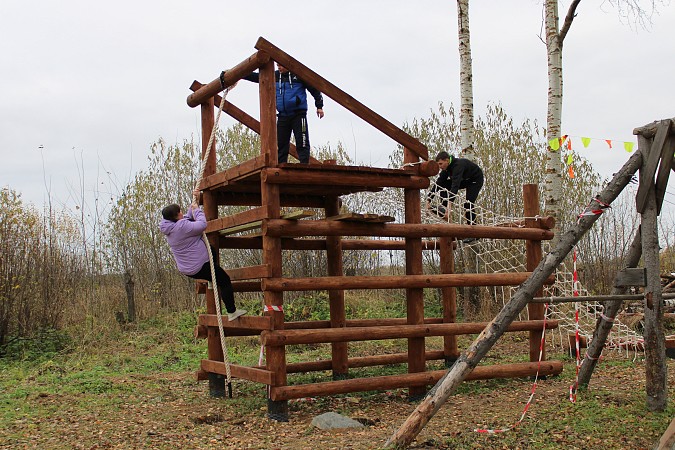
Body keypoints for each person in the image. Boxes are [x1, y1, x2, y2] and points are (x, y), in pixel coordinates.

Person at [159, 195, 246, 321]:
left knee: (211, 249)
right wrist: (198, 210)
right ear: (177, 215)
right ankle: (232, 311)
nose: (183, 213)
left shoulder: (170, 227)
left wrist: (195, 201)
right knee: (225, 280)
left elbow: (188, 218)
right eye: (180, 211)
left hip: (189, 268)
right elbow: (202, 224)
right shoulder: (182, 227)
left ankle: (212, 279)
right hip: (198, 266)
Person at [244, 62, 324, 164]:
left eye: (281, 65)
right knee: (281, 143)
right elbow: (256, 77)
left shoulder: (298, 75)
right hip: (283, 115)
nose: (279, 68)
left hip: (298, 114)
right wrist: (240, 75)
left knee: (302, 141)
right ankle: (281, 165)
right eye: (278, 66)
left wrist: (319, 106)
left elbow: (315, 89)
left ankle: (304, 165)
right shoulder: (275, 76)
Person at [427, 151, 484, 227]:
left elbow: (455, 186)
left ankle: (473, 228)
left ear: (447, 160)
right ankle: (443, 207)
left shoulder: (458, 165)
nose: (440, 167)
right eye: (438, 165)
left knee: (468, 204)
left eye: (441, 164)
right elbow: (439, 183)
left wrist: (449, 206)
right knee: (443, 184)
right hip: (465, 180)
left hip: (475, 180)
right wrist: (428, 200)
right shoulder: (446, 168)